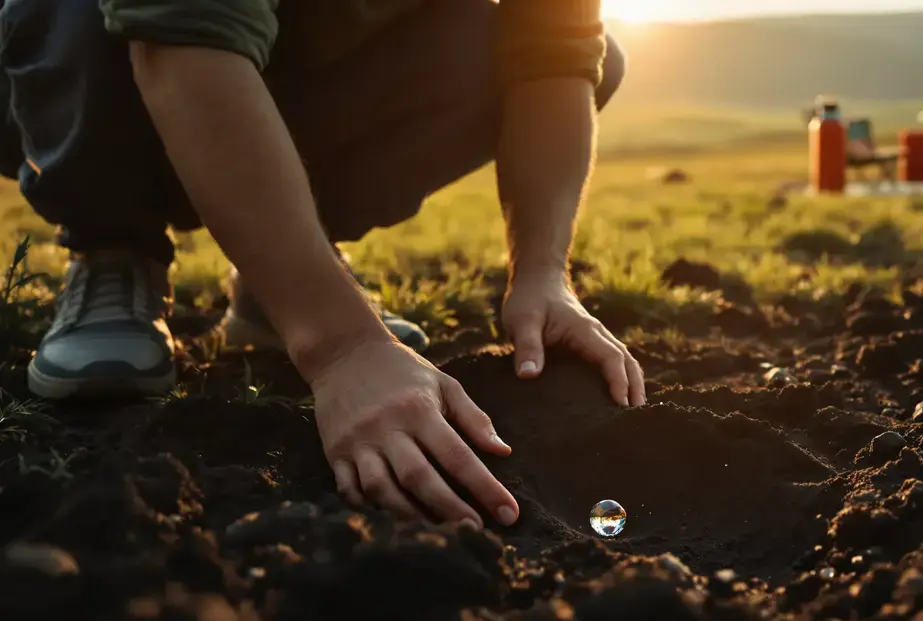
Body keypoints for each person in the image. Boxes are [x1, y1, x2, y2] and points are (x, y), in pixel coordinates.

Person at [0, 0, 646, 530]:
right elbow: (180, 37)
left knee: (578, 53)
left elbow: (555, 51)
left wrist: (541, 270)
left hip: (275, 63)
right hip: (74, 71)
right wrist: (343, 346)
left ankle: (281, 270)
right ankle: (112, 245)